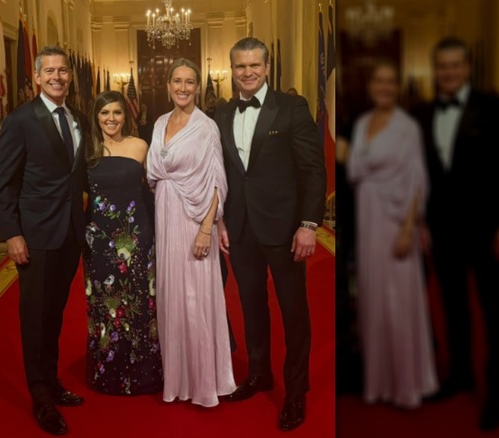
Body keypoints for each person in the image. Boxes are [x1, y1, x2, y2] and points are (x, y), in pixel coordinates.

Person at [412, 36, 499, 430]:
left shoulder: (494, 108)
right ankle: (460, 374)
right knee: (454, 307)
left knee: (495, 311)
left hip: (487, 230)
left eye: (455, 66)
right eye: (442, 66)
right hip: (443, 232)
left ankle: (497, 390)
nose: (449, 72)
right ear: (435, 70)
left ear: (467, 68)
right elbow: (419, 175)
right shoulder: (422, 114)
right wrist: (421, 221)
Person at [214, 37, 326, 431]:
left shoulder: (291, 107)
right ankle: (259, 373)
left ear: (266, 67)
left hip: (285, 229)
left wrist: (308, 224)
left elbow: (313, 169)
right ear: (232, 70)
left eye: (254, 65)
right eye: (240, 66)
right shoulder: (222, 113)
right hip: (241, 229)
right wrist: (221, 221)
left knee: (294, 312)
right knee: (252, 307)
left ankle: (295, 392)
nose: (247, 72)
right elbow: (220, 173)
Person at [0, 45, 88, 436]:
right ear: (36, 77)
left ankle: (50, 380)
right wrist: (12, 233)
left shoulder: (78, 117)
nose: (57, 77)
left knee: (54, 313)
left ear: (70, 75)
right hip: (34, 235)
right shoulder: (20, 120)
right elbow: (3, 183)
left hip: (69, 233)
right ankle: (40, 397)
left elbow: (77, 176)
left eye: (62, 71)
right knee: (34, 317)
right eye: (49, 71)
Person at [346, 61, 437, 409]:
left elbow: (417, 181)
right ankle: (379, 383)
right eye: (378, 81)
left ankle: (406, 384)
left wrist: (409, 228)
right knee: (373, 300)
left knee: (400, 302)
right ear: (371, 86)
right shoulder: (363, 123)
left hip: (398, 223)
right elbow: (355, 169)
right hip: (368, 219)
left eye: (390, 82)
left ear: (398, 87)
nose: (384, 87)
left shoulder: (407, 127)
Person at [146, 58, 236, 408]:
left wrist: (206, 229)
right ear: (168, 85)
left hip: (195, 220)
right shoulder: (159, 122)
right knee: (172, 297)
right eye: (177, 81)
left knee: (196, 299)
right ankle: (177, 377)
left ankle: (203, 381)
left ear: (198, 87)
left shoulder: (207, 127)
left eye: (189, 82)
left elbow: (217, 181)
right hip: (165, 217)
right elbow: (154, 174)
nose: (182, 88)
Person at [83, 90, 162, 396]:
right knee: (106, 304)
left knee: (139, 302)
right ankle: (108, 371)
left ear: (125, 115)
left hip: (137, 235)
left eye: (117, 112)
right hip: (98, 240)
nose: (111, 118)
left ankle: (144, 373)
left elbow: (157, 188)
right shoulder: (87, 149)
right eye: (105, 113)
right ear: (96, 117)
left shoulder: (140, 145)